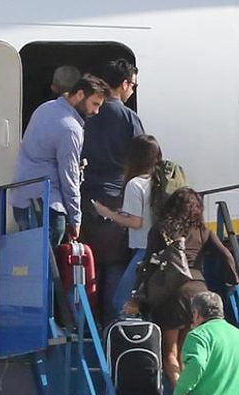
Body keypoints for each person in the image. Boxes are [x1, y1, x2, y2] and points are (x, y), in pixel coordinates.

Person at [126, 191, 239, 385]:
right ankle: (191, 392)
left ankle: (181, 391)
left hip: (172, 293)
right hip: (199, 293)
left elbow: (147, 265)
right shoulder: (203, 232)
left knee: (169, 350)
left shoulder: (160, 230)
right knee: (186, 351)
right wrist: (234, 282)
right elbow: (227, 257)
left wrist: (136, 298)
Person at [10, 74, 108, 250]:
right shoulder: (70, 129)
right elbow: (69, 176)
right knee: (48, 267)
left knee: (30, 261)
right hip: (47, 205)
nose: (96, 111)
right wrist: (75, 218)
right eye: (95, 104)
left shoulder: (45, 108)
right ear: (79, 95)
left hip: (21, 199)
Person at [79, 59, 144, 313]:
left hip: (86, 198)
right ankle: (113, 324)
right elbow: (144, 160)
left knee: (87, 263)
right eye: (133, 85)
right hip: (118, 198)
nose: (132, 91)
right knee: (115, 263)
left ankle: (86, 320)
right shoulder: (129, 118)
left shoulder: (87, 113)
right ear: (125, 83)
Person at [92, 134, 162, 319]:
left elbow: (135, 222)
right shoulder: (158, 182)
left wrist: (106, 213)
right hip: (161, 249)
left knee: (121, 301)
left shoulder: (135, 184)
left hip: (143, 251)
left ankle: (125, 343)